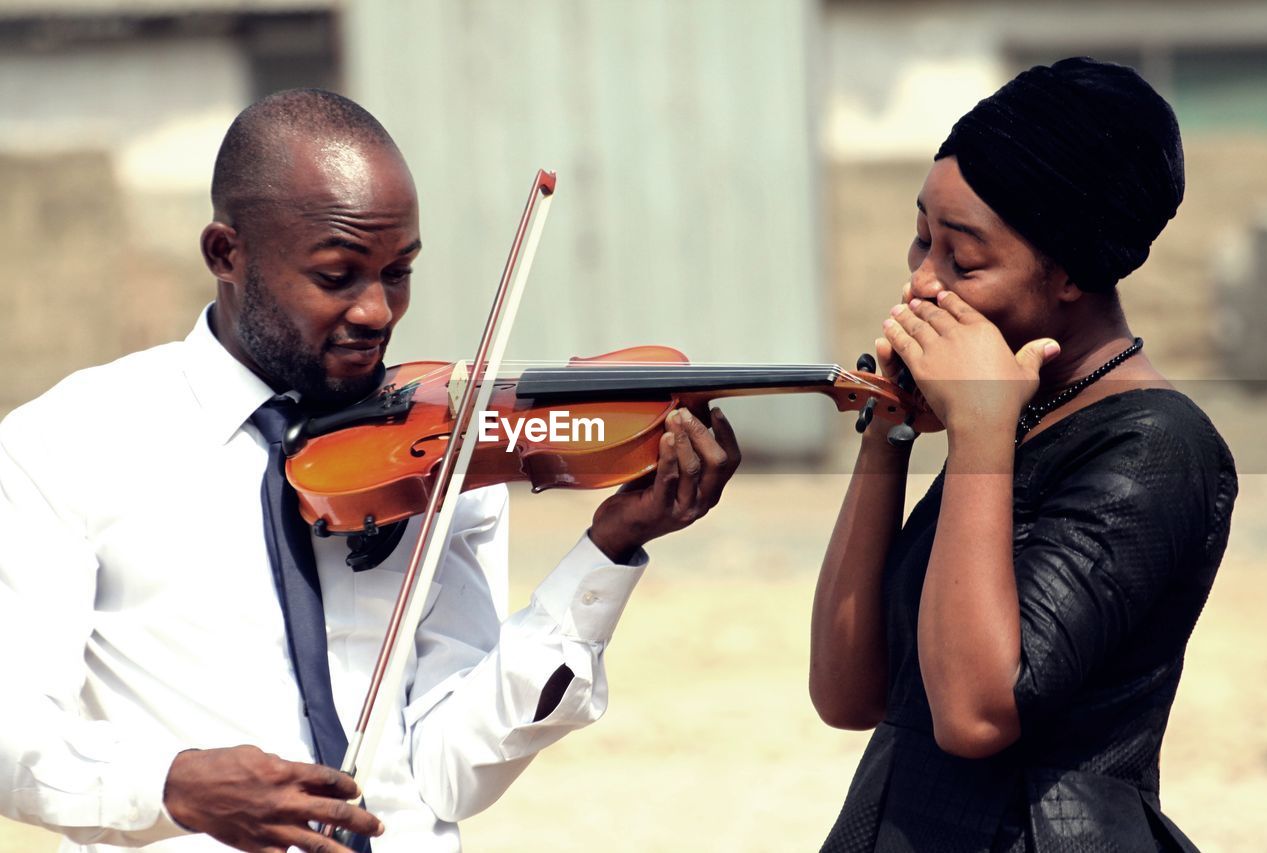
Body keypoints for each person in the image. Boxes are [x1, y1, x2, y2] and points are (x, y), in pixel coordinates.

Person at [0, 89, 740, 853]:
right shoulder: (67, 445)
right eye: (337, 275)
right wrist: (171, 783)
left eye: (398, 272)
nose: (379, 313)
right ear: (226, 253)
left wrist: (607, 550)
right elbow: (9, 730)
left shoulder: (435, 450)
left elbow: (452, 770)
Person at [809, 58, 1237, 852]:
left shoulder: (1157, 445)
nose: (921, 285)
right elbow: (846, 690)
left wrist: (977, 431)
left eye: (963, 261)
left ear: (1070, 271)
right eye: (920, 239)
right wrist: (889, 432)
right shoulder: (1013, 412)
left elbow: (976, 712)